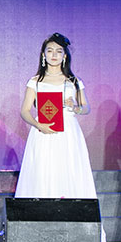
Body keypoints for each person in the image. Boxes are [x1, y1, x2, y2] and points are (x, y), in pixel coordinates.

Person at [14, 33, 96, 200]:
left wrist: (75, 107)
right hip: (42, 131)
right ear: (43, 54)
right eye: (50, 50)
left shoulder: (73, 81)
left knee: (68, 167)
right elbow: (25, 111)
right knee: (43, 168)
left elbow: (86, 107)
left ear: (64, 56)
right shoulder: (35, 81)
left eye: (59, 51)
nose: (54, 55)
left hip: (68, 132)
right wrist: (38, 125)